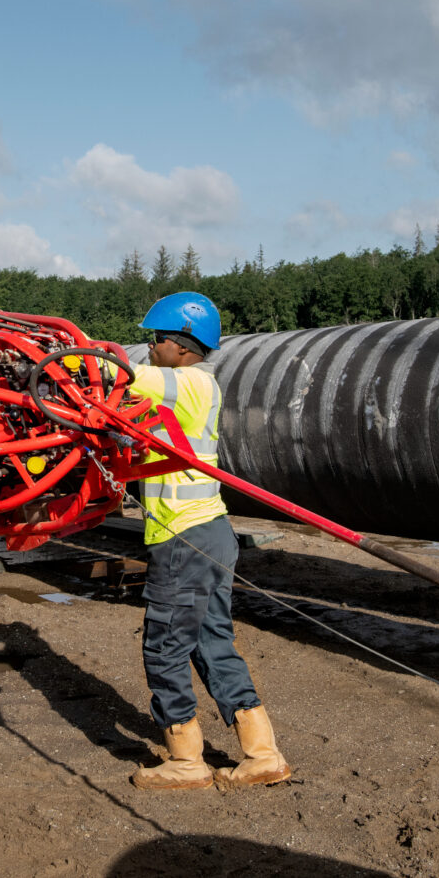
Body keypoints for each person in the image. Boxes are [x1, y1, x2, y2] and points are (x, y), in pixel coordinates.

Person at [127, 291, 290, 791]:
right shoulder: (188, 388)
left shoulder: (190, 384)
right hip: (210, 534)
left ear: (181, 346)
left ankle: (185, 760)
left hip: (184, 539)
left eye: (155, 341)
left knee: (165, 646)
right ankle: (262, 753)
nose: (149, 349)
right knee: (211, 640)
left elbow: (117, 375)